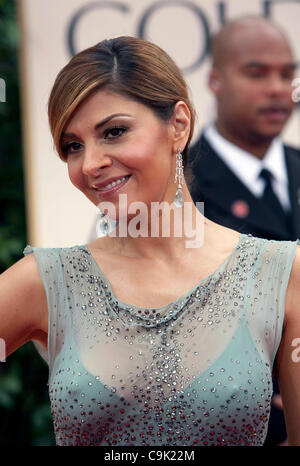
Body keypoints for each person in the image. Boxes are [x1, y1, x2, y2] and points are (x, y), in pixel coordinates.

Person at [1, 36, 300, 447]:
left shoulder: (282, 273)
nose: (90, 164)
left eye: (114, 132)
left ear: (178, 125)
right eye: (73, 146)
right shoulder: (45, 281)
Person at [188, 16, 300, 445]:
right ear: (215, 80)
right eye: (256, 73)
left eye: (287, 74)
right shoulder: (178, 189)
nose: (277, 88)